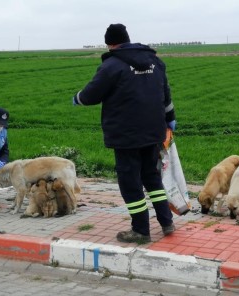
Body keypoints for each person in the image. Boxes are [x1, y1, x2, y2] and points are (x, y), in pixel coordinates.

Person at [72, 24, 176, 243]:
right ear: (128, 39)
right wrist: (170, 118)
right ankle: (167, 222)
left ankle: (140, 230)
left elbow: (91, 95)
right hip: (153, 132)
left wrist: (77, 98)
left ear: (110, 44)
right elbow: (166, 95)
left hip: (126, 136)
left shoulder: (112, 65)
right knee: (152, 177)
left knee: (130, 183)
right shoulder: (155, 62)